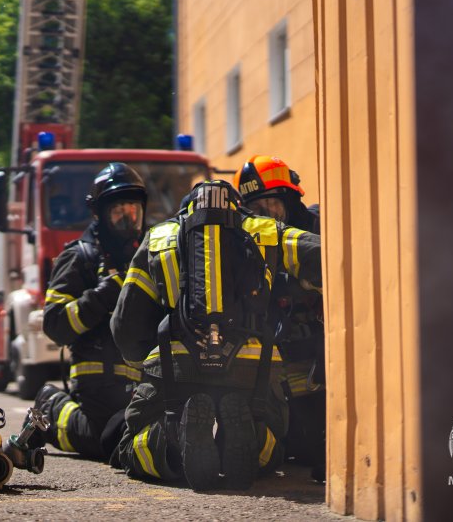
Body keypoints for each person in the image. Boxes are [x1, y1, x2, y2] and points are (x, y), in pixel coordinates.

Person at [111, 179, 323, 491]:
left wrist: (144, 363)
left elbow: (125, 327)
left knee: (131, 446)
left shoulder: (159, 237)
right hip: (253, 369)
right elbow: (323, 256)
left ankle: (175, 437)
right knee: (274, 446)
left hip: (176, 369)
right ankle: (254, 436)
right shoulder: (266, 231)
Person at [27, 163, 148, 461]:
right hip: (95, 383)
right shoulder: (79, 256)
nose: (128, 219)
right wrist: (105, 294)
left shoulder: (146, 257)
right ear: (100, 214)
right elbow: (55, 325)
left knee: (141, 439)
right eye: (118, 211)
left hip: (139, 382)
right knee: (106, 442)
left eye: (133, 211)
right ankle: (50, 405)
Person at [234, 155, 326, 481]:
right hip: (284, 361)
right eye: (256, 209)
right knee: (289, 445)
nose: (266, 216)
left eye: (272, 204)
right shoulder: (252, 244)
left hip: (324, 359)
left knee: (315, 447)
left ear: (290, 199)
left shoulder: (318, 228)